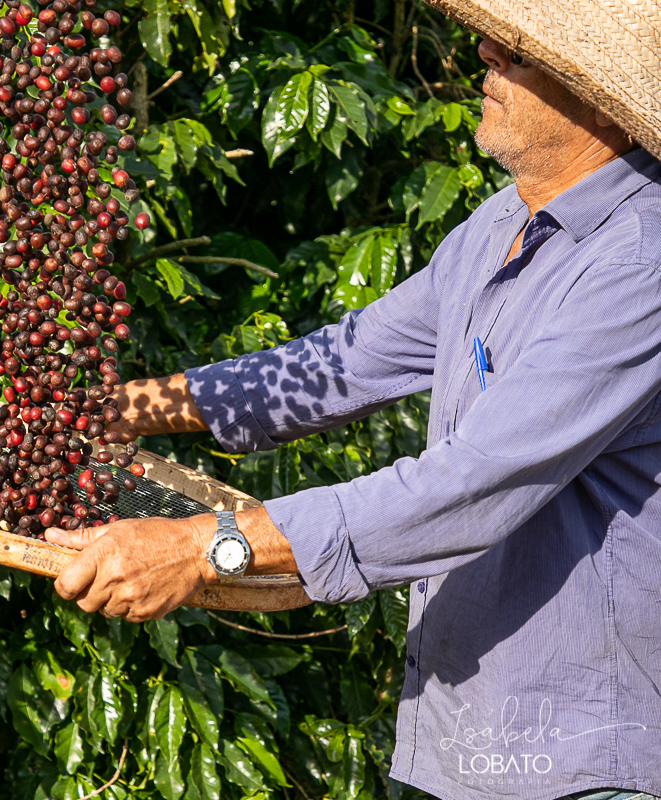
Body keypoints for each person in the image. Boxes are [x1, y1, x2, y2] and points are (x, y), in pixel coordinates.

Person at [43, 1, 661, 797]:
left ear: (601, 97)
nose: (483, 53)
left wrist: (205, 548)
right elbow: (339, 364)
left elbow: (469, 484)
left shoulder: (637, 269)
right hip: (462, 740)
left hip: (583, 759)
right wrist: (118, 409)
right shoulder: (498, 225)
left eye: (517, 52)